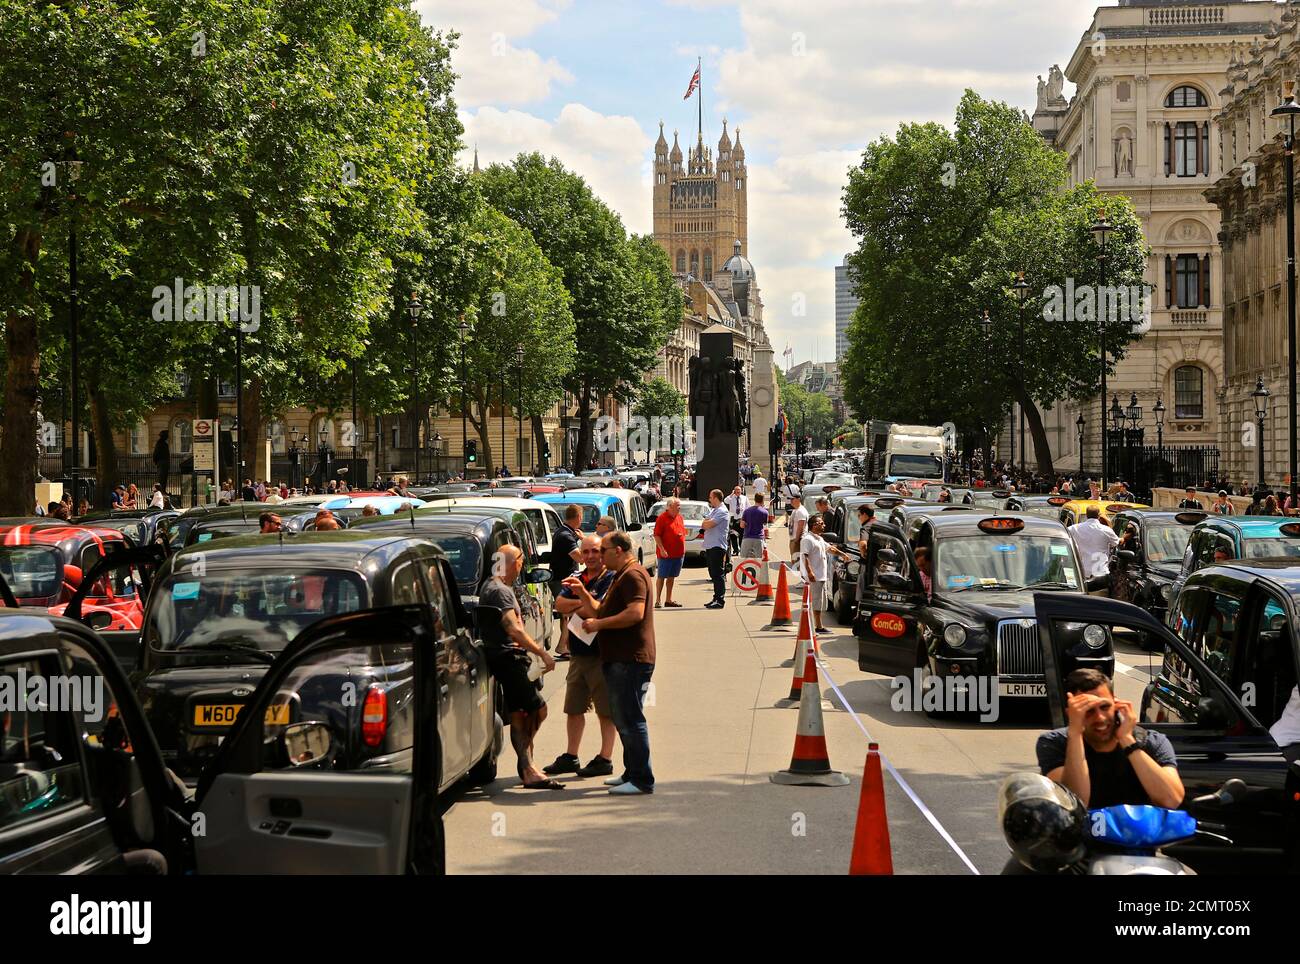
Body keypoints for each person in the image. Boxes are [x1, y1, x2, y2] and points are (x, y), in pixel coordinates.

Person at [569, 530, 656, 795]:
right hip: (619, 659)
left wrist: (599, 624)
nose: (598, 556)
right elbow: (598, 609)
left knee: (631, 719)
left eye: (603, 550)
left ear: (617, 551)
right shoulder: (622, 574)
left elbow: (635, 613)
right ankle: (632, 772)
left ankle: (642, 779)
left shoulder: (633, 575)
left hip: (630, 659)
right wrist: (583, 593)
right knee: (623, 718)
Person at [1037, 668, 1183, 809]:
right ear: (1072, 713)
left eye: (1105, 707)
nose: (1099, 718)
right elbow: (1076, 803)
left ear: (1116, 704)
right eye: (1088, 710)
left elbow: (1171, 800)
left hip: (1137, 833)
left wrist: (1127, 740)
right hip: (1084, 832)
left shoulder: (1151, 741)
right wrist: (1075, 734)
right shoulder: (1055, 743)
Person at [480, 544, 559, 789]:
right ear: (514, 562)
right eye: (521, 561)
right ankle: (526, 765)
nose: (522, 566)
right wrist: (542, 653)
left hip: (505, 658)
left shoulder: (491, 586)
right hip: (509, 659)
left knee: (519, 714)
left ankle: (527, 765)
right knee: (538, 709)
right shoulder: (501, 591)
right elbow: (513, 628)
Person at [544, 535, 618, 778]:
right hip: (578, 654)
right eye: (585, 552)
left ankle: (605, 758)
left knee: (605, 710)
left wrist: (579, 602)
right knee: (573, 708)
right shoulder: (578, 577)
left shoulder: (611, 578)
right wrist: (582, 604)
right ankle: (571, 756)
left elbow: (599, 608)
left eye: (595, 551)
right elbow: (559, 604)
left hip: (602, 654)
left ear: (603, 552)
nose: (590, 556)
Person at [800, 515, 850, 634]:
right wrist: (810, 572)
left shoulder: (819, 539)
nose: (824, 525)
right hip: (814, 577)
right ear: (814, 525)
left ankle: (818, 626)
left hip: (821, 576)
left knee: (819, 603)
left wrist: (843, 554)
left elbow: (830, 549)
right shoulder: (808, 539)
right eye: (821, 523)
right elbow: (805, 556)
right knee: (814, 602)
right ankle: (813, 627)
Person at [550, 505, 585, 660]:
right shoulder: (565, 535)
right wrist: (584, 540)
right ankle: (564, 646)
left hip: (563, 579)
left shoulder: (563, 532)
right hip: (562, 579)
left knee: (569, 613)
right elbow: (581, 558)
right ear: (578, 517)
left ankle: (568, 645)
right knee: (570, 613)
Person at [1068, 505, 1119, 592]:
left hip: (1080, 573)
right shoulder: (1106, 530)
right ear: (1098, 515)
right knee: (1099, 603)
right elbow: (1116, 542)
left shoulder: (1074, 528)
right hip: (1100, 574)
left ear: (1087, 515)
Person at [653, 497, 687, 608]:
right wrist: (662, 549)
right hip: (665, 554)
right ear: (670, 506)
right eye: (677, 505)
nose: (679, 507)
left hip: (678, 554)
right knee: (662, 576)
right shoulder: (662, 518)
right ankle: (658, 600)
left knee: (672, 577)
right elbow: (657, 535)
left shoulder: (679, 518)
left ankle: (668, 600)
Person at [700, 488, 730, 609]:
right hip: (711, 545)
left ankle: (720, 600)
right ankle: (716, 597)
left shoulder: (722, 511)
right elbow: (704, 523)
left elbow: (708, 524)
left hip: (717, 546)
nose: (709, 500)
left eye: (711, 497)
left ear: (716, 498)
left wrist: (706, 522)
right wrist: (706, 522)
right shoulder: (714, 510)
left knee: (718, 574)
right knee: (713, 573)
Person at [739, 492, 769, 559]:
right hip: (759, 538)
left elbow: (742, 525)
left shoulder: (747, 511)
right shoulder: (765, 512)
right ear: (763, 500)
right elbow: (764, 523)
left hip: (747, 537)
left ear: (754, 499)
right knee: (759, 560)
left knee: (743, 559)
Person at [725, 485, 748, 555]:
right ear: (734, 491)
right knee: (733, 535)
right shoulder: (731, 498)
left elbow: (748, 507)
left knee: (742, 535)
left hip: (742, 519)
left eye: (739, 490)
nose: (738, 492)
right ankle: (735, 550)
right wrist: (731, 494)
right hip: (733, 519)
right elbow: (725, 501)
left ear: (741, 491)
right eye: (736, 490)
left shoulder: (745, 498)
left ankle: (742, 550)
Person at [788, 494, 809, 561]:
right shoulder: (796, 510)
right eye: (790, 499)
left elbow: (801, 526)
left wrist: (796, 540)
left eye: (792, 499)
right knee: (794, 559)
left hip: (798, 539)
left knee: (797, 561)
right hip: (794, 538)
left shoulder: (801, 511)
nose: (791, 501)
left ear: (798, 499)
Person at [153, 430, 171, 497]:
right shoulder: (160, 443)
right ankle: (161, 491)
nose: (167, 437)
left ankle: (163, 490)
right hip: (162, 462)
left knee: (164, 478)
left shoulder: (163, 443)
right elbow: (155, 454)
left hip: (164, 463)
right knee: (161, 478)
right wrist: (157, 462)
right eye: (166, 435)